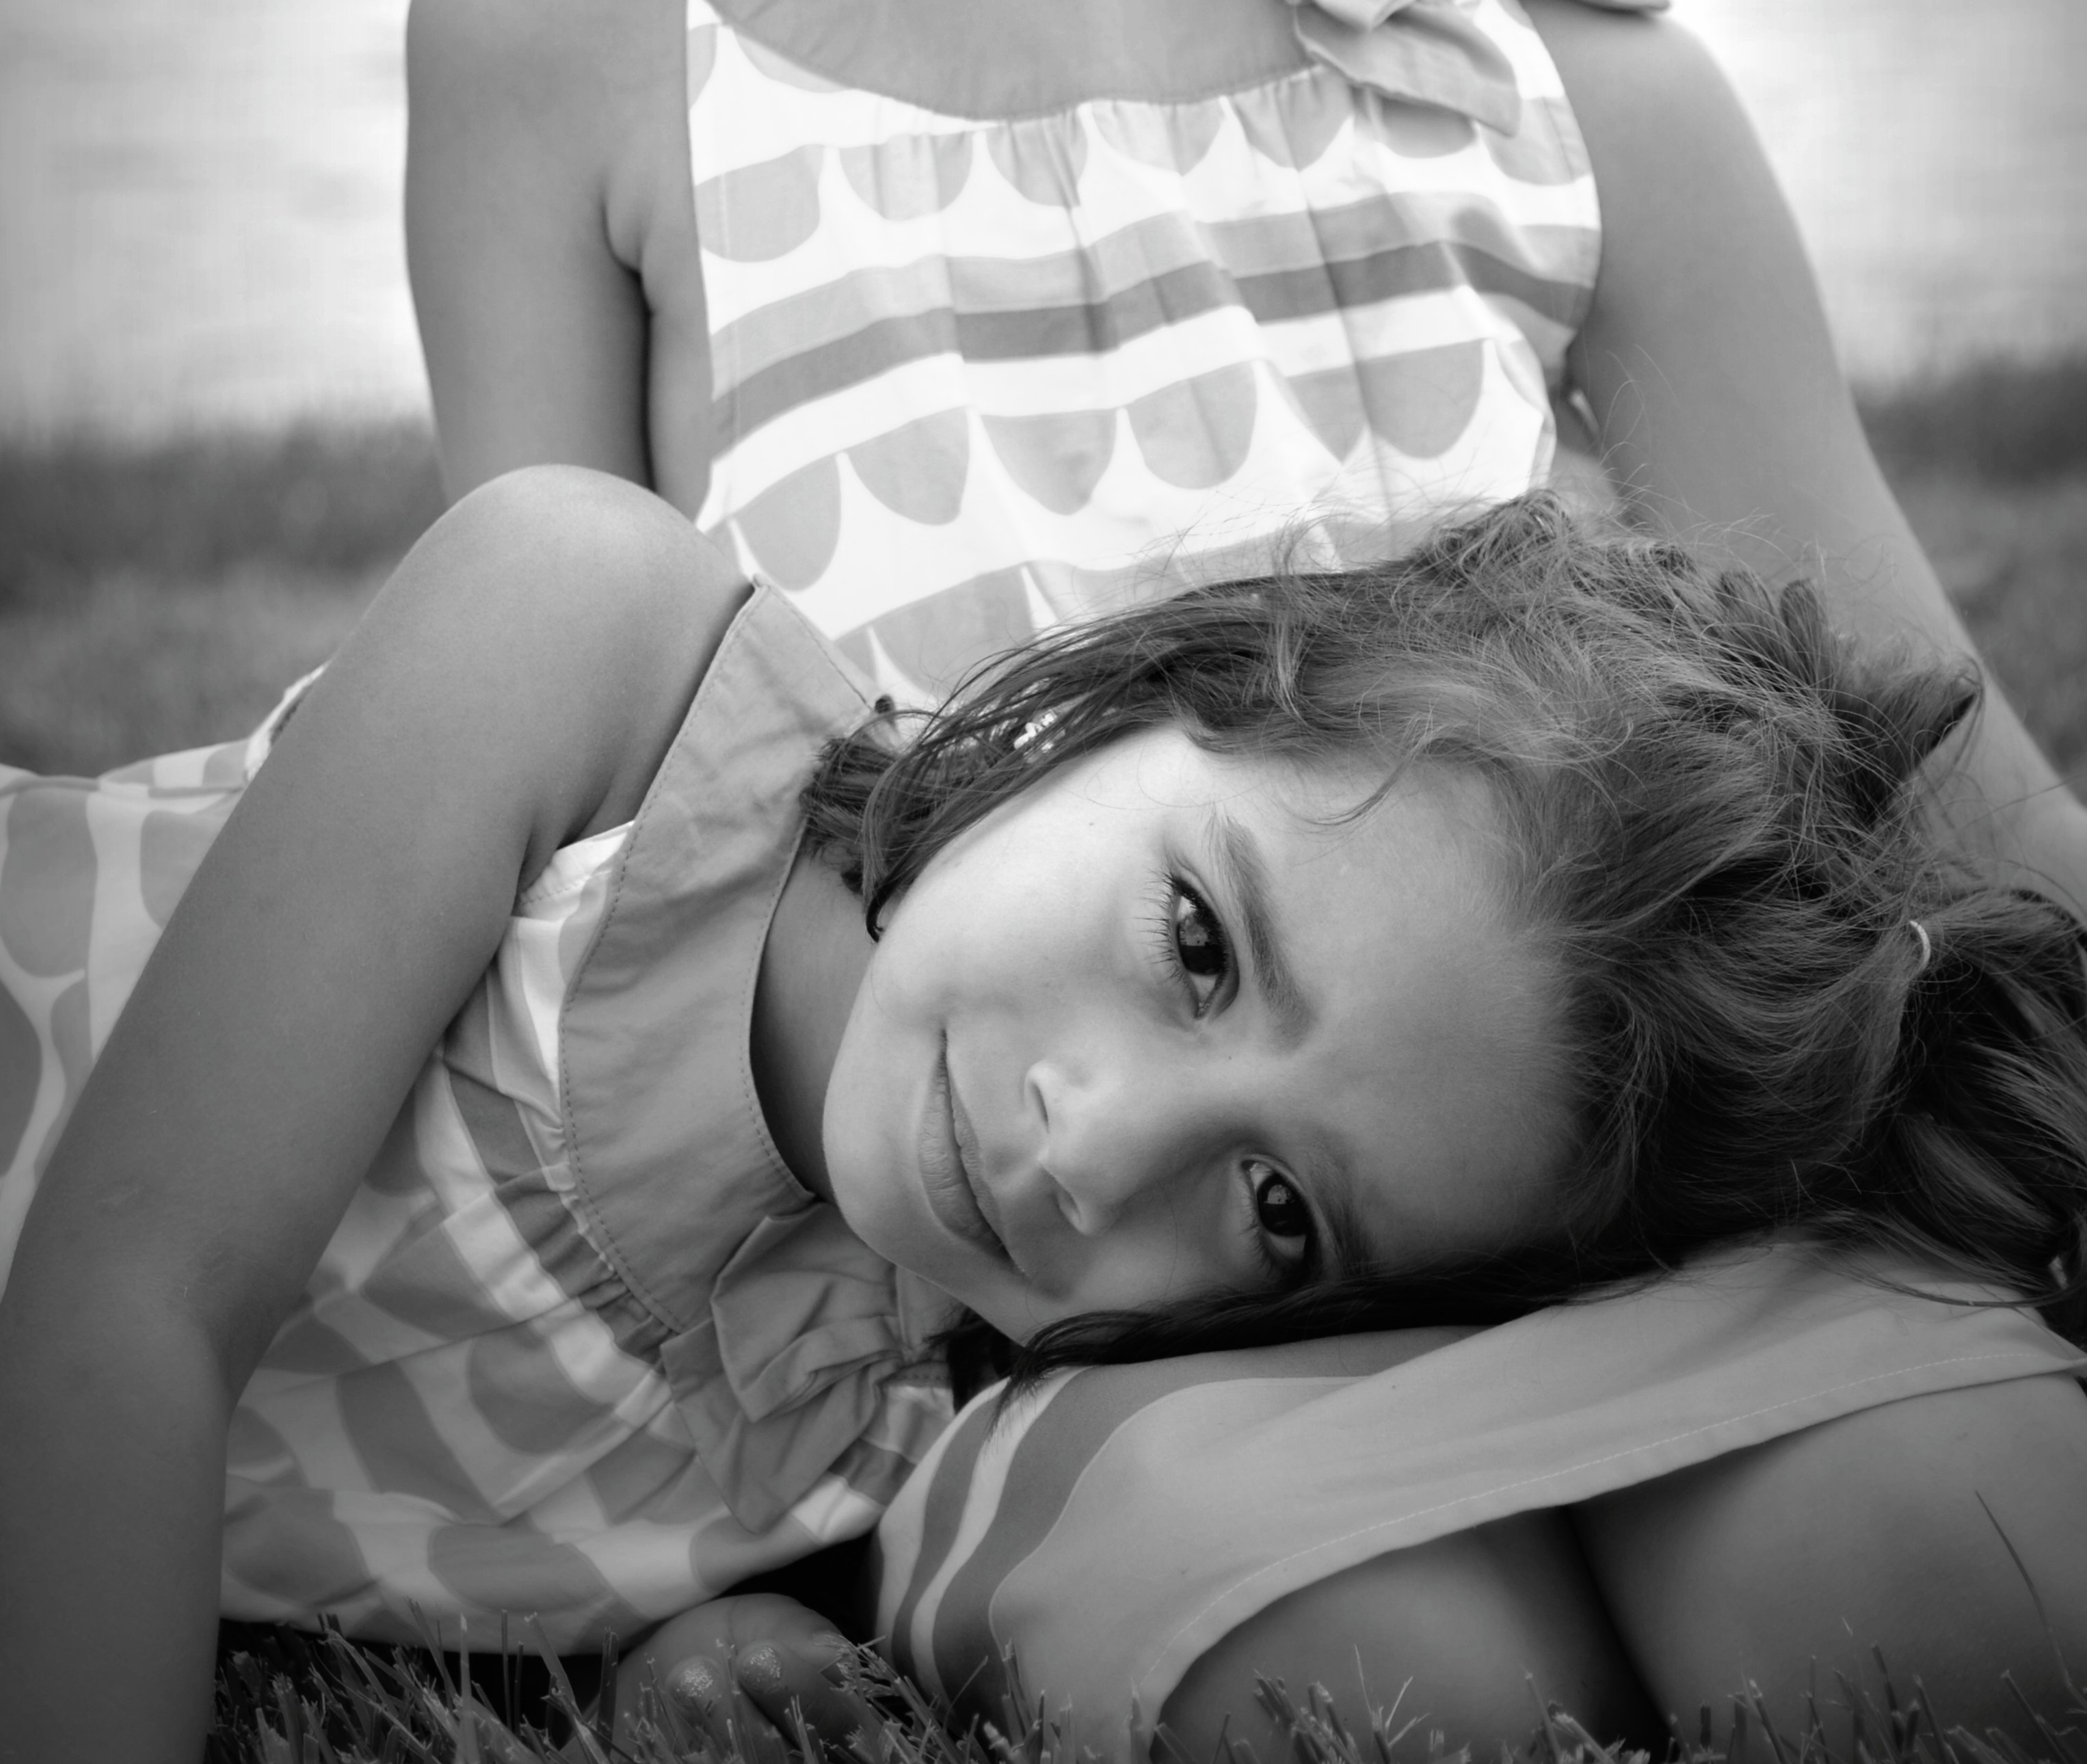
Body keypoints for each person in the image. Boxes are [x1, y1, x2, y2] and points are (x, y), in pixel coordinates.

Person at [390, 0, 2087, 1743]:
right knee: (1378, 1679)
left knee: (1948, 1559)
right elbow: (542, 889)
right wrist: (675, 1550)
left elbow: (1917, 774)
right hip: (1039, 1314)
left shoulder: (1559, 57)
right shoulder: (581, 20)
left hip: (1587, 1215)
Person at [0, 485, 2083, 1764]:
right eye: (1197, 943)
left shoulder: (935, 1397)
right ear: (1172, 692)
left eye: (1278, 1209)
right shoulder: (595, 655)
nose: (1095, 1154)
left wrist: (680, 1646)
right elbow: (123, 1308)